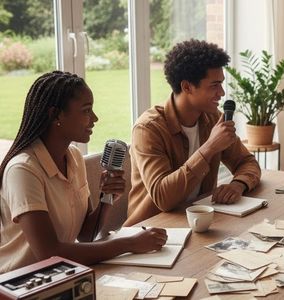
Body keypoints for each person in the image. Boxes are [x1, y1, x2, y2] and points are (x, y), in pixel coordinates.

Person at [0, 71, 167, 273]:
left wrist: (107, 199)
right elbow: (49, 252)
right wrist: (128, 244)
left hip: (62, 276)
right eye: (86, 110)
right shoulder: (23, 170)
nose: (95, 118)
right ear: (56, 115)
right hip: (22, 285)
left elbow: (85, 235)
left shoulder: (73, 157)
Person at [124, 40, 261, 226]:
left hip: (199, 222)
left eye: (221, 84)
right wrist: (210, 147)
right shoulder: (148, 129)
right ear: (187, 87)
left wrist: (238, 185)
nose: (221, 93)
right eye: (214, 85)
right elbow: (162, 198)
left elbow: (247, 162)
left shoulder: (213, 118)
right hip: (153, 229)